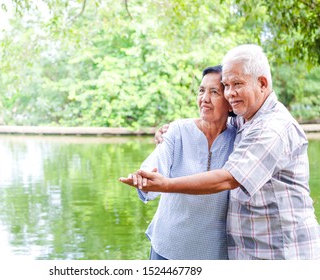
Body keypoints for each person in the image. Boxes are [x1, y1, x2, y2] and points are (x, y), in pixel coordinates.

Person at [120, 44, 320, 260]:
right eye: (225, 86)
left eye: (236, 85)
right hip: (237, 252)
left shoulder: (271, 127)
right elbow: (208, 124)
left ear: (262, 83)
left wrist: (166, 185)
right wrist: (166, 138)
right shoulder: (243, 122)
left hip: (283, 253)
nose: (230, 93)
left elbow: (228, 179)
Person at [124, 65, 236, 260]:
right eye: (201, 91)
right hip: (167, 247)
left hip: (213, 253)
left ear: (229, 100)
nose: (204, 99)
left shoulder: (239, 139)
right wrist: (145, 177)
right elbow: (158, 161)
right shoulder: (177, 131)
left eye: (214, 92)